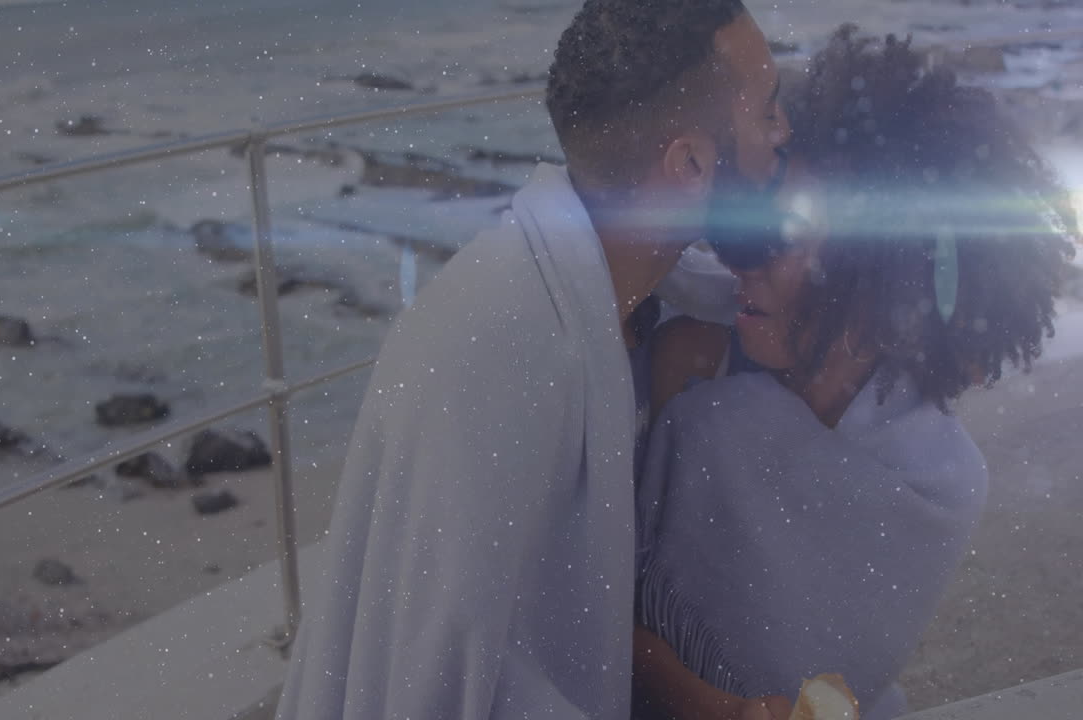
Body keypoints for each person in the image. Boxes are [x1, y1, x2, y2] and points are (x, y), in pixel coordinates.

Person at [274, 1, 790, 718]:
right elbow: (447, 684)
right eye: (767, 111)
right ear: (690, 163)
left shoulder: (620, 303)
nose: (783, 134)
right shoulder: (502, 343)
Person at [630, 26, 1078, 720]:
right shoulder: (687, 368)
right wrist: (712, 704)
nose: (743, 257)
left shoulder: (940, 480)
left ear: (883, 273)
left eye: (787, 235)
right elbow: (585, 602)